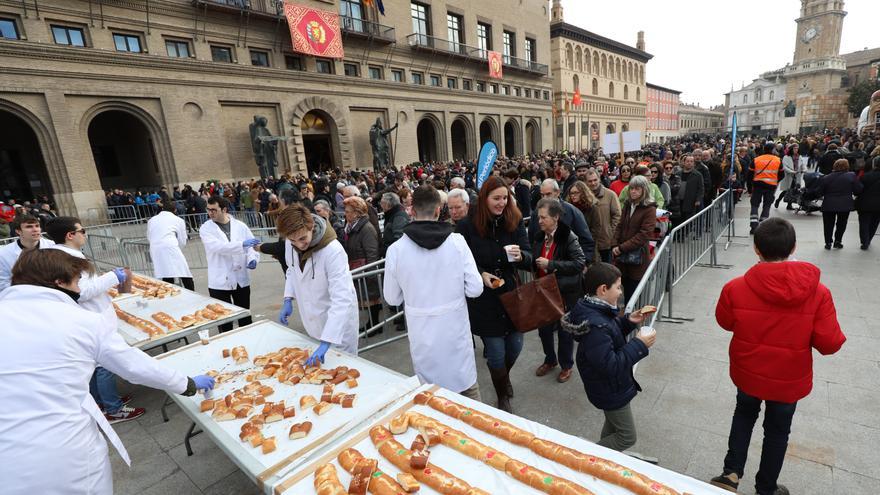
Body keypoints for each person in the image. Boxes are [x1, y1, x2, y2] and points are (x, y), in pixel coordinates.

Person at [0, 248, 216, 495]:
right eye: (77, 281)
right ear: (59, 282)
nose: (80, 289)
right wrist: (186, 383)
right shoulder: (81, 321)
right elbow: (134, 366)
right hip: (60, 452)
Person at [710, 218, 845, 495]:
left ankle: (731, 472)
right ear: (794, 246)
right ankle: (766, 487)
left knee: (744, 414)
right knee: (777, 430)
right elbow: (829, 343)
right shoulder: (818, 292)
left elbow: (725, 321)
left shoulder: (735, 287)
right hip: (788, 378)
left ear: (756, 250)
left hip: (748, 369)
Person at [383, 185, 484, 399]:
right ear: (439, 210)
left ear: (411, 211)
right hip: (454, 332)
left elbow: (392, 298)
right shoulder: (457, 242)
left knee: (432, 398)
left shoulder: (396, 251)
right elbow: (475, 288)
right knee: (468, 395)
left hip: (423, 336)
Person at [45, 217, 144, 423]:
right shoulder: (67, 258)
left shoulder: (64, 254)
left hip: (90, 315)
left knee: (93, 364)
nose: (86, 234)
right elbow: (82, 292)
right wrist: (113, 277)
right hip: (92, 317)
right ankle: (113, 409)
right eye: (83, 230)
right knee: (104, 365)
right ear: (70, 235)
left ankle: (101, 402)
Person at [456, 175, 532, 412]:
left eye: (505, 197)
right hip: (485, 298)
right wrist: (480, 274)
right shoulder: (467, 225)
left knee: (516, 346)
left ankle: (503, 377)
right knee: (496, 353)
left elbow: (528, 254)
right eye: (496, 198)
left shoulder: (515, 219)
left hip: (510, 291)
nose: (501, 203)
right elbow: (460, 260)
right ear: (484, 198)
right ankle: (502, 395)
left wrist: (522, 256)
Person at [561, 262, 654, 452]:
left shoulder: (596, 308)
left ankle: (605, 458)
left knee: (614, 427)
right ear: (603, 289)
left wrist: (628, 321)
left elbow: (610, 331)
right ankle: (590, 457)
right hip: (610, 390)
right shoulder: (596, 324)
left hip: (610, 387)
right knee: (626, 436)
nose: (620, 291)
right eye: (618, 287)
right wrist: (639, 344)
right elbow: (609, 364)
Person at [276, 204, 359, 362]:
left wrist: (328, 339)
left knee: (342, 374)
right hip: (312, 324)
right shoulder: (290, 243)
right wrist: (288, 298)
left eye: (302, 238)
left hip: (338, 330)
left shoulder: (333, 251)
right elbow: (292, 270)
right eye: (293, 240)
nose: (299, 244)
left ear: (311, 226)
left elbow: (342, 298)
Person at [532, 198, 586, 384]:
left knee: (565, 331)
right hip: (543, 292)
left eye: (543, 217)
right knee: (544, 330)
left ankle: (566, 365)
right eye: (538, 217)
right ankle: (550, 360)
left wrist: (551, 264)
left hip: (564, 292)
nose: (539, 221)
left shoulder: (567, 236)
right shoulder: (540, 235)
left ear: (555, 217)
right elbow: (535, 261)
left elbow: (579, 263)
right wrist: (522, 257)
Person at [199, 195, 259, 332]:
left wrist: (252, 258)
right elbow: (217, 247)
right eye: (208, 209)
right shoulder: (206, 229)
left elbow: (252, 245)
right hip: (220, 280)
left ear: (224, 209)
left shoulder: (240, 226)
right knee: (224, 321)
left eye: (214, 210)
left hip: (240, 279)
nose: (210, 213)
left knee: (245, 317)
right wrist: (242, 244)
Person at [341, 196, 383, 334]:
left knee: (371, 298)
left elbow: (372, 252)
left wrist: (370, 272)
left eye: (347, 211)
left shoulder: (366, 228)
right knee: (365, 298)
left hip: (365, 268)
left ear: (357, 212)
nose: (345, 214)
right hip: (357, 267)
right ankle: (371, 324)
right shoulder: (351, 227)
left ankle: (375, 325)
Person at [613, 176, 657, 304]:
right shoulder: (628, 204)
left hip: (637, 258)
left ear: (644, 190)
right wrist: (614, 243)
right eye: (631, 188)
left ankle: (633, 321)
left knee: (634, 294)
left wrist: (621, 247)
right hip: (623, 257)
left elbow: (644, 235)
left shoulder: (649, 209)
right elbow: (620, 225)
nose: (633, 191)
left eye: (637, 189)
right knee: (625, 288)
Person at [529, 179, 595, 263]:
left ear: (557, 192)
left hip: (568, 269)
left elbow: (586, 241)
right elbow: (532, 239)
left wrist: (584, 264)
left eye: (548, 194)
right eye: (542, 195)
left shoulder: (572, 211)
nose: (545, 198)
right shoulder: (536, 213)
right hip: (542, 267)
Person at [147, 200, 194, 290]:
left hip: (155, 248)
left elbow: (149, 237)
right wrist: (178, 248)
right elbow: (182, 240)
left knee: (164, 272)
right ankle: (192, 293)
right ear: (175, 210)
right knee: (184, 271)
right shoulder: (178, 220)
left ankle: (168, 294)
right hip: (170, 246)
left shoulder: (152, 220)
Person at [0, 213, 54, 292]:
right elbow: (3, 283)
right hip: (22, 295)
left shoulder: (52, 246)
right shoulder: (4, 253)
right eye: (29, 227)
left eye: (37, 226)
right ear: (18, 231)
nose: (35, 229)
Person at [817, 158, 863, 250]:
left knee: (828, 224)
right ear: (847, 166)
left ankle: (828, 242)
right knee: (842, 224)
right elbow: (858, 190)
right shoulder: (851, 176)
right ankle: (838, 241)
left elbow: (819, 192)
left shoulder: (826, 177)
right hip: (845, 204)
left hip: (829, 204)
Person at [583, 168, 621, 263]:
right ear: (585, 182)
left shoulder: (610, 195)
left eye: (595, 180)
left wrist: (610, 233)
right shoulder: (583, 196)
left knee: (606, 270)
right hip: (589, 242)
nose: (593, 183)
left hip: (605, 242)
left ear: (599, 179)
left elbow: (617, 216)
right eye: (590, 181)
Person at [749, 143, 782, 234]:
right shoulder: (778, 160)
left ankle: (754, 226)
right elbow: (782, 174)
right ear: (772, 150)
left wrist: (749, 188)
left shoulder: (756, 159)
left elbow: (750, 175)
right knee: (767, 206)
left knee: (755, 205)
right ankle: (762, 226)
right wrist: (775, 180)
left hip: (758, 186)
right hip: (771, 186)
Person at [566, 180, 600, 262]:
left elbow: (595, 230)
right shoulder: (568, 209)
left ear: (583, 193)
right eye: (571, 193)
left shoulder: (592, 208)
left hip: (587, 248)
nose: (573, 196)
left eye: (576, 193)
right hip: (571, 247)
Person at [669, 154, 705, 228]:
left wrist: (698, 199)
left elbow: (701, 188)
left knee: (687, 220)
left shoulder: (698, 175)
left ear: (694, 163)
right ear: (684, 162)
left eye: (691, 161)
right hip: (678, 202)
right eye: (687, 161)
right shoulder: (678, 173)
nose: (689, 163)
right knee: (678, 220)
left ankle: (684, 235)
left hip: (690, 201)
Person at [856, 156, 880, 250]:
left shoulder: (865, 176)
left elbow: (858, 190)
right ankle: (869, 239)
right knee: (874, 223)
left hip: (864, 203)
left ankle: (864, 241)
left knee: (864, 223)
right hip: (878, 206)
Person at [775, 144, 805, 210]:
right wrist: (792, 171)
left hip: (797, 176)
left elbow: (803, 165)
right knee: (786, 190)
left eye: (797, 148)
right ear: (791, 149)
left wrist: (804, 170)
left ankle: (789, 205)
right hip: (789, 176)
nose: (796, 150)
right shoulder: (786, 157)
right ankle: (778, 200)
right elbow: (785, 167)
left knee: (793, 190)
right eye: (794, 148)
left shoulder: (800, 157)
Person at [380, 192, 410, 256]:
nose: (380, 205)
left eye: (382, 203)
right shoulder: (392, 214)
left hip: (394, 256)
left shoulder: (399, 216)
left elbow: (399, 239)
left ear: (388, 204)